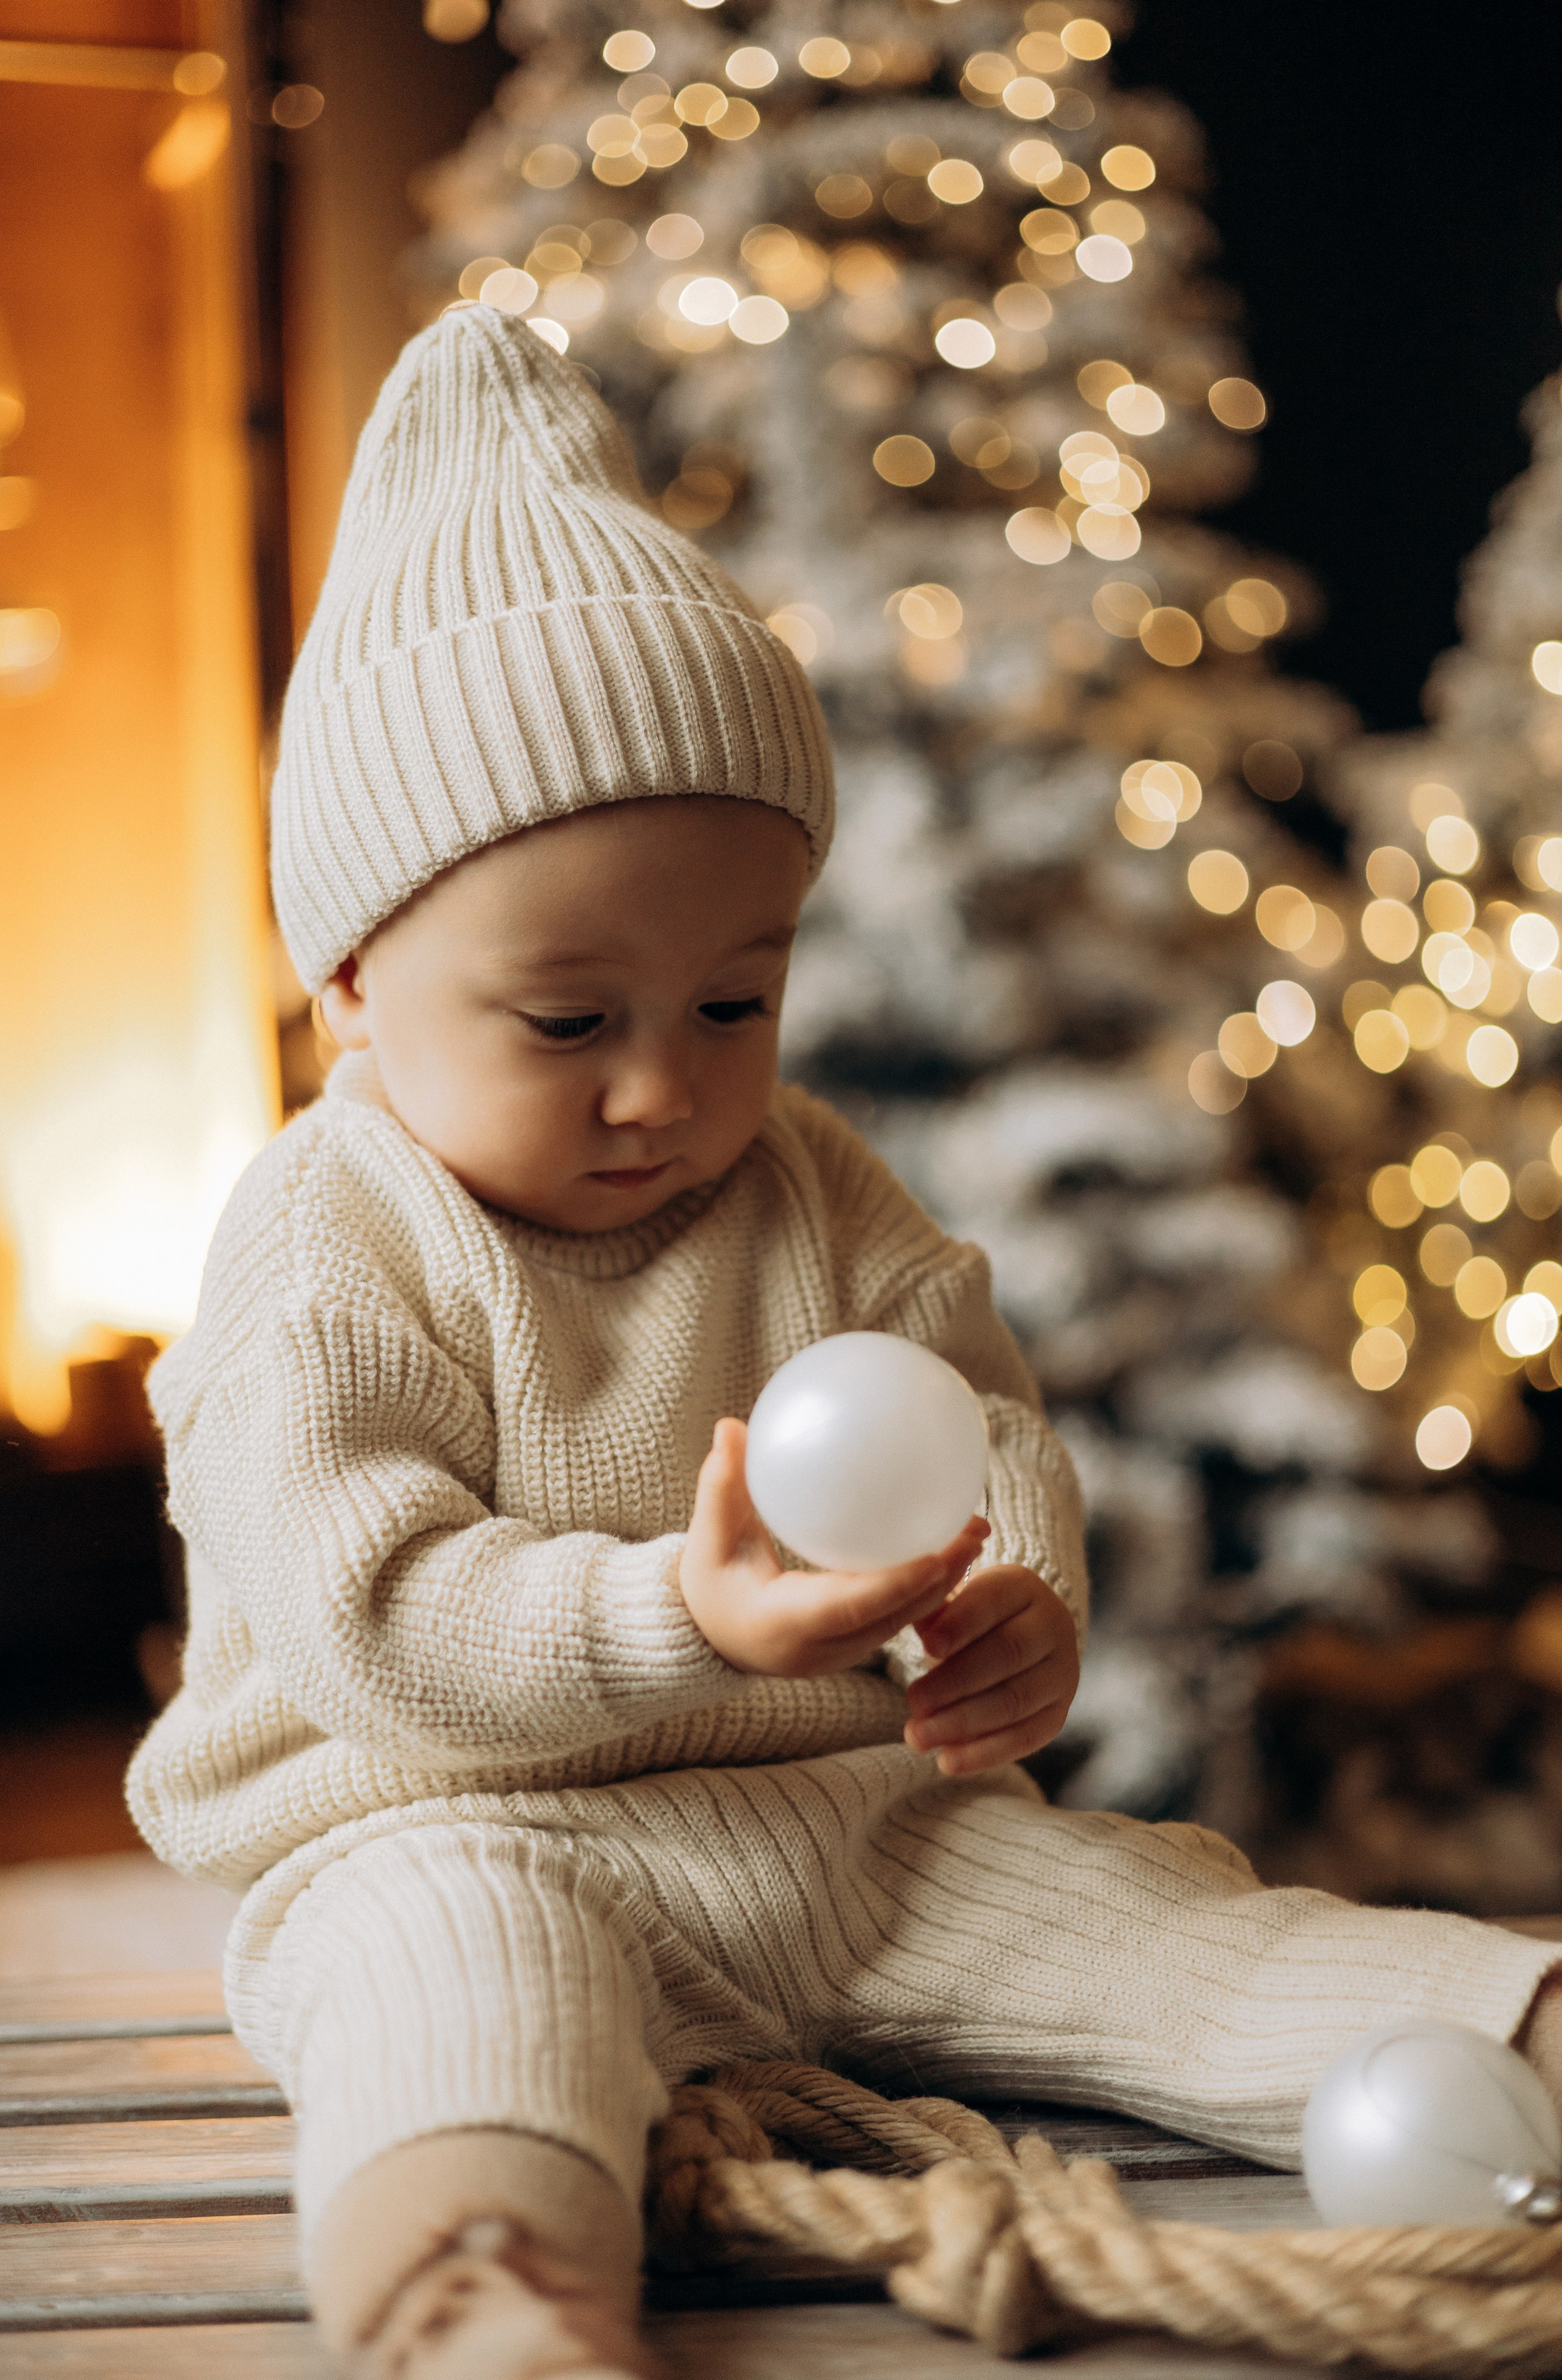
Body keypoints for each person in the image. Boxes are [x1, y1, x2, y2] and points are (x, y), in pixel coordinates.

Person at [129, 309, 1562, 2380]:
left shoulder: (812, 1188)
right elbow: (368, 1610)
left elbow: (980, 1428)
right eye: (566, 1023)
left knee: (1178, 1936)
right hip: (451, 1815)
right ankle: (483, 2304)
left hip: (848, 1833)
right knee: (447, 1994)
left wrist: (1005, 1610)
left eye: (734, 1003)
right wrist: (675, 1616)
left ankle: (1518, 2035)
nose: (659, 1090)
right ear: (354, 981)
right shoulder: (328, 1236)